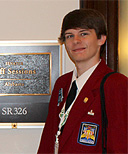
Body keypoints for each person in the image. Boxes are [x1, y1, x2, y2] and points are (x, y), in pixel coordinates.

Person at [38, 9, 128, 153]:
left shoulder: (116, 85)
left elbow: (121, 146)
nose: (76, 41)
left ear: (101, 38)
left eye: (84, 34)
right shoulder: (62, 84)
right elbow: (48, 140)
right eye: (69, 36)